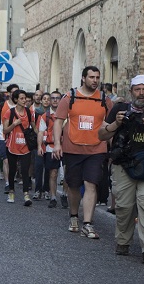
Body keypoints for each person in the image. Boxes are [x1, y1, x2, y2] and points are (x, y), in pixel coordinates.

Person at [53, 66, 113, 239]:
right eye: (91, 77)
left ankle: (88, 224)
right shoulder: (70, 97)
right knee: (73, 185)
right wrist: (57, 143)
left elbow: (110, 125)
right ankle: (74, 216)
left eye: (97, 77)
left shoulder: (104, 100)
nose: (95, 80)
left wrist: (112, 147)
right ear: (83, 78)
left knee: (91, 184)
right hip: (73, 148)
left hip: (96, 149)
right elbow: (58, 121)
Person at [99, 74, 144, 262]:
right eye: (138, 89)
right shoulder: (120, 109)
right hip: (123, 166)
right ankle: (123, 240)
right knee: (124, 207)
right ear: (131, 92)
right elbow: (101, 135)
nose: (142, 93)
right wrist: (116, 123)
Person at [3, 89, 35, 206]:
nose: (24, 100)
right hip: (12, 145)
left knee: (25, 171)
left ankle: (26, 194)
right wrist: (14, 124)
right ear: (16, 100)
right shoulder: (9, 112)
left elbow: (33, 127)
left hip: (25, 146)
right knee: (12, 170)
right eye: (21, 98)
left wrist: (38, 139)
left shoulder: (28, 112)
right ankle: (11, 191)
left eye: (25, 98)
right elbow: (5, 130)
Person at [37, 91, 64, 208]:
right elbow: (40, 132)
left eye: (57, 98)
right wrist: (39, 146)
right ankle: (53, 196)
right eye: (52, 98)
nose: (54, 100)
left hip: (66, 147)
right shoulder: (45, 116)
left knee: (68, 175)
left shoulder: (67, 115)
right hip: (51, 147)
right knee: (53, 173)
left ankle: (65, 194)